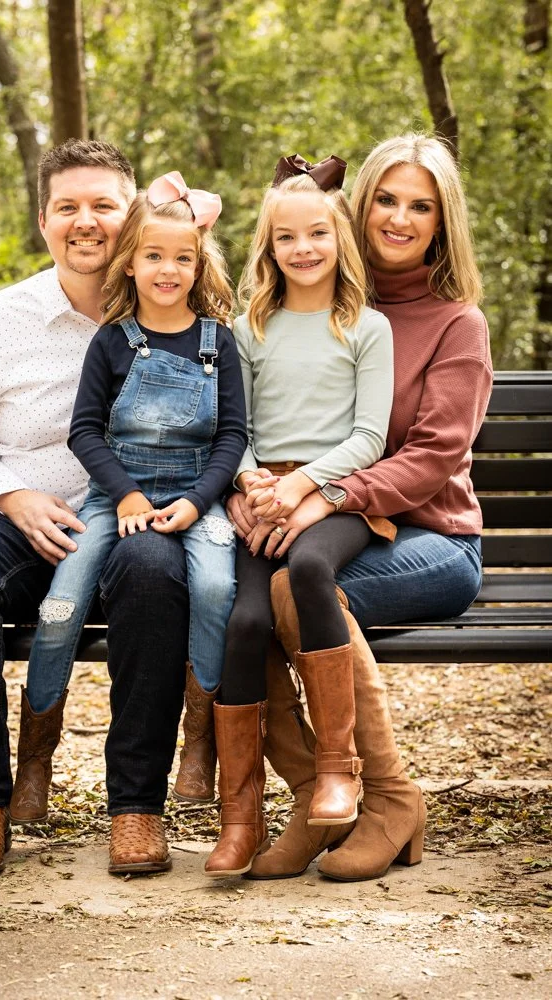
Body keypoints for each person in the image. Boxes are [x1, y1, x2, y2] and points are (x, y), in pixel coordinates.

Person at [231, 134, 493, 882]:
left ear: (442, 223)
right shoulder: (320, 296)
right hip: (325, 529)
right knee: (238, 602)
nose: (400, 219)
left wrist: (325, 494)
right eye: (386, 199)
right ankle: (313, 799)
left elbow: (434, 456)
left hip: (431, 541)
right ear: (359, 206)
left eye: (421, 207)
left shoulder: (456, 323)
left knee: (291, 589)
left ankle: (387, 799)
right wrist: (249, 490)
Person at [10, 172, 247, 868]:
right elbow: (85, 432)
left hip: (196, 498)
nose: (168, 270)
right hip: (114, 499)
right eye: (154, 256)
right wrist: (126, 496)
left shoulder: (218, 342)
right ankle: (35, 761)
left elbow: (233, 436)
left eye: (183, 257)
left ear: (199, 265)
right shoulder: (113, 341)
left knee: (215, 589)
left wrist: (197, 500)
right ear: (131, 263)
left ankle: (198, 743)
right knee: (60, 607)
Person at [0, 138, 137, 875]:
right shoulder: (0, 320)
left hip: (134, 530)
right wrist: (11, 497)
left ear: (133, 214)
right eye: (67, 207)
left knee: (156, 575)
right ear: (43, 221)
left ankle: (136, 807)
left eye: (104, 205)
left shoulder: (174, 306)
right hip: (28, 532)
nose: (86, 221)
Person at [204, 154, 395, 878]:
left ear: (339, 239)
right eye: (286, 237)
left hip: (338, 495)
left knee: (309, 570)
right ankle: (240, 817)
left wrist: (303, 486)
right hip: (264, 496)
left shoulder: (366, 327)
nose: (303, 248)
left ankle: (339, 768)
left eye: (318, 233)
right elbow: (238, 426)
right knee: (245, 622)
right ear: (268, 247)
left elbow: (369, 437)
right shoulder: (250, 328)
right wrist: (251, 480)